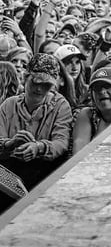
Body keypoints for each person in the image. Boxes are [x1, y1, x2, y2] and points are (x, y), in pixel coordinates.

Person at [0, 54, 73, 190]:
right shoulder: (9, 105)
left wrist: (39, 147)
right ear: (25, 78)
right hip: (9, 172)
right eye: (35, 83)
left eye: (46, 85)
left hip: (43, 174)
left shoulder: (60, 105)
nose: (39, 89)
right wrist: (10, 143)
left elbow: (61, 142)